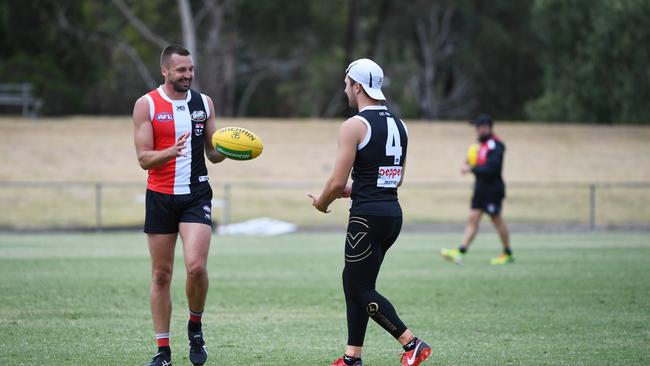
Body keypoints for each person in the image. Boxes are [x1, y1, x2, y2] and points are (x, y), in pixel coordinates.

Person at [308, 58, 431, 366]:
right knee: (359, 284)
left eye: (347, 84)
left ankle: (412, 343)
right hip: (391, 215)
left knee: (357, 287)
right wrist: (355, 189)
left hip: (366, 218)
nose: (345, 90)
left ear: (358, 86)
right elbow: (394, 177)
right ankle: (352, 358)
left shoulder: (354, 126)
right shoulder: (400, 124)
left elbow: (336, 183)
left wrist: (322, 202)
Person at [132, 44, 225, 366]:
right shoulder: (146, 105)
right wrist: (169, 152)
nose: (188, 75)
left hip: (196, 195)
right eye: (181, 70)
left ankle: (195, 327)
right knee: (161, 275)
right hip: (159, 196)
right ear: (165, 71)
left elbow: (213, 152)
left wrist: (232, 149)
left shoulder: (204, 103)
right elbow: (144, 159)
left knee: (196, 267)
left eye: (191, 69)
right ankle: (163, 351)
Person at [441, 114, 513, 265]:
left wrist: (471, 169)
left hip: (492, 190)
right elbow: (476, 161)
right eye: (476, 127)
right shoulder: (480, 146)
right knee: (472, 219)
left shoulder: (496, 145)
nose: (477, 130)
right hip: (480, 190)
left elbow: (492, 169)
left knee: (497, 220)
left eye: (480, 127)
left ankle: (508, 253)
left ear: (488, 127)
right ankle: (460, 251)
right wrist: (468, 163)